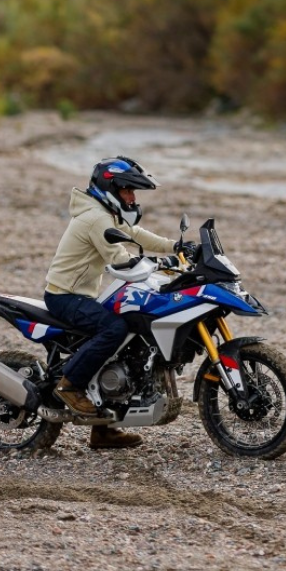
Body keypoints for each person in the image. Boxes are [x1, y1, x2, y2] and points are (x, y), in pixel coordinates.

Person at [44, 156, 182, 450]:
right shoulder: (96, 218)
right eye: (128, 191)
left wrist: (177, 247)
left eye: (134, 193)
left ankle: (103, 431)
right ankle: (70, 385)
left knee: (129, 339)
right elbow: (119, 258)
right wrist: (161, 262)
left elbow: (137, 235)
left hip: (80, 295)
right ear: (111, 188)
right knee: (113, 329)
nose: (132, 198)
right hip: (64, 296)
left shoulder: (105, 213)